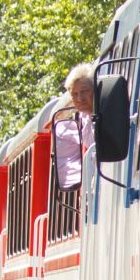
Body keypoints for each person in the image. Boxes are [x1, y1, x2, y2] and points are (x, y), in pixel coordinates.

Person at [52, 63, 95, 197]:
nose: (79, 98)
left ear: (95, 90)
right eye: (74, 94)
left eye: (84, 92)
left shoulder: (102, 116)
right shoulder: (81, 122)